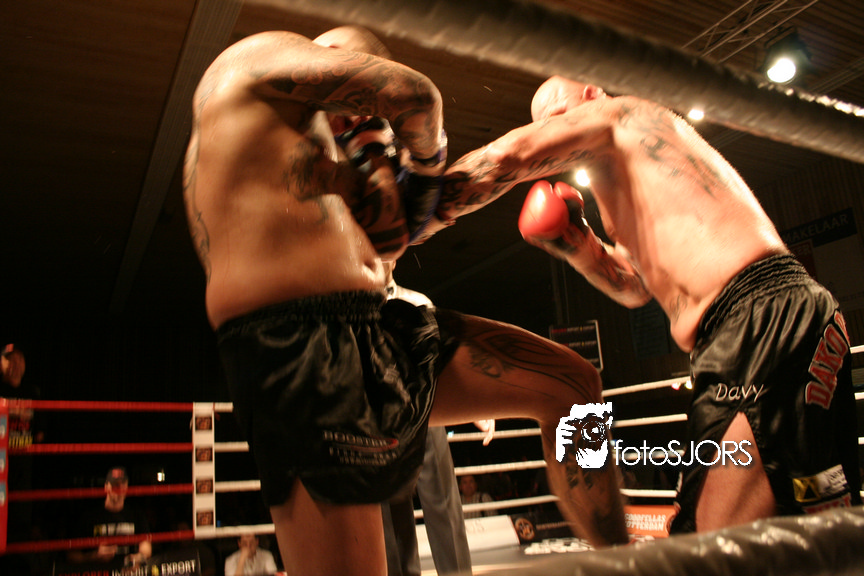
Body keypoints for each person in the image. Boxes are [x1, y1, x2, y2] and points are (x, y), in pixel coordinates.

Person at [183, 25, 627, 576]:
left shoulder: (339, 161)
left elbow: (418, 221)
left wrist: (385, 155)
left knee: (575, 387)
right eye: (360, 110)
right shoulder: (251, 65)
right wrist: (422, 155)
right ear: (331, 59)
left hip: (382, 327)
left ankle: (624, 561)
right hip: (297, 349)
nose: (361, 120)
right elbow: (414, 95)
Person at [437, 73, 860, 533]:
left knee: (708, 541)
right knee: (815, 529)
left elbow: (507, 157)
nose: (553, 131)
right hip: (769, 322)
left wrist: (422, 207)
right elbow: (635, 289)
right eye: (544, 124)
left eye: (557, 117)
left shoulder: (625, 115)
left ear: (593, 94)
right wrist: (577, 246)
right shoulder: (621, 190)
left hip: (759, 316)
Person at [380, 266, 473, 576]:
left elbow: (447, 363)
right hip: (383, 421)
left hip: (429, 415)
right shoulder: (357, 309)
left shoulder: (418, 301)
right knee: (393, 514)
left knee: (444, 502)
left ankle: (458, 573)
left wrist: (475, 409)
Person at [67, 467, 152, 567]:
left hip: (127, 571)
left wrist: (137, 558)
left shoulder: (136, 514)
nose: (119, 488)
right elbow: (71, 555)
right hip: (99, 571)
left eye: (122, 484)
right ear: (106, 487)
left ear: (127, 487)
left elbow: (146, 547)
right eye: (115, 484)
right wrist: (93, 556)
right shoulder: (90, 516)